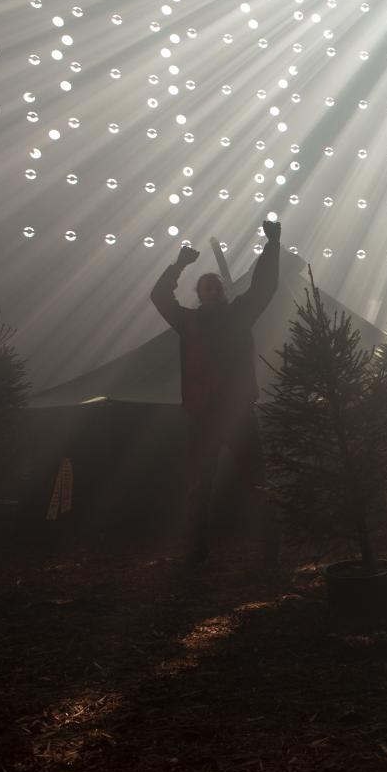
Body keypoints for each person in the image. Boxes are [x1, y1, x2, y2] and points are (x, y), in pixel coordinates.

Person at [151, 221, 282, 565]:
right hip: (206, 414)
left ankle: (269, 549)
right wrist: (178, 266)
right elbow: (159, 296)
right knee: (200, 487)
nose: (214, 291)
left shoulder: (238, 314)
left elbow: (265, 285)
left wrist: (273, 245)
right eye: (207, 287)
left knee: (256, 481)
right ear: (200, 294)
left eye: (217, 287)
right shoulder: (190, 322)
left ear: (222, 293)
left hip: (236, 412)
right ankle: (197, 551)